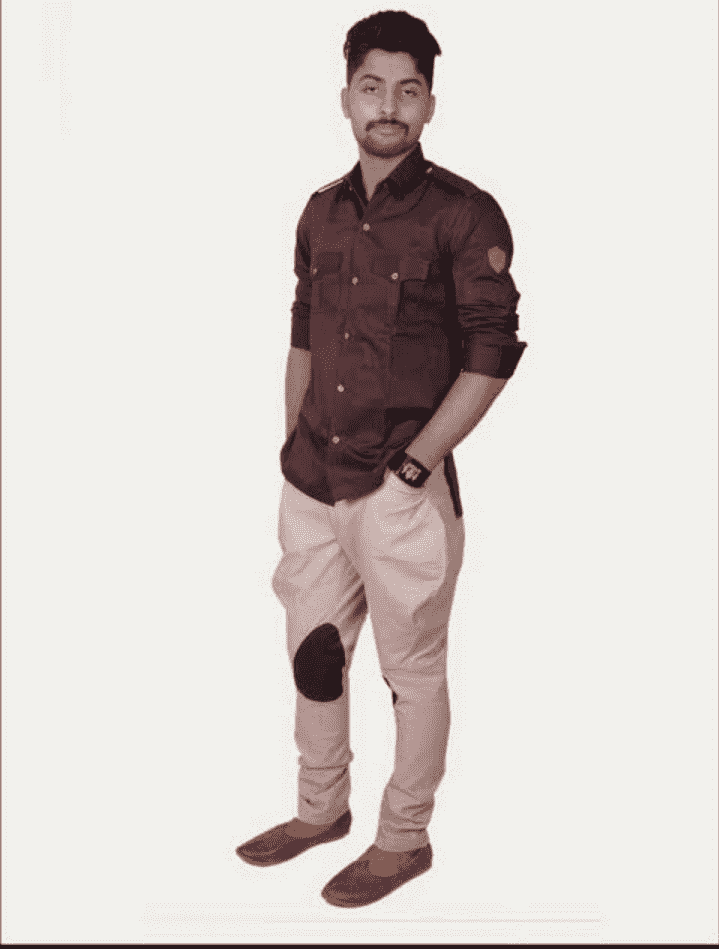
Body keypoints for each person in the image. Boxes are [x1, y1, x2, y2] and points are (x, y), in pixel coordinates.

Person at [236, 9, 527, 908]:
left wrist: (415, 466)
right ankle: (319, 810)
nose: (388, 105)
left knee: (411, 673)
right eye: (372, 87)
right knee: (313, 655)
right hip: (312, 480)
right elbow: (301, 333)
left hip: (402, 487)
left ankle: (403, 837)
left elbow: (493, 351)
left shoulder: (462, 213)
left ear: (429, 104)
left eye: (407, 89)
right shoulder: (319, 211)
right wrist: (292, 440)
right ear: (345, 98)